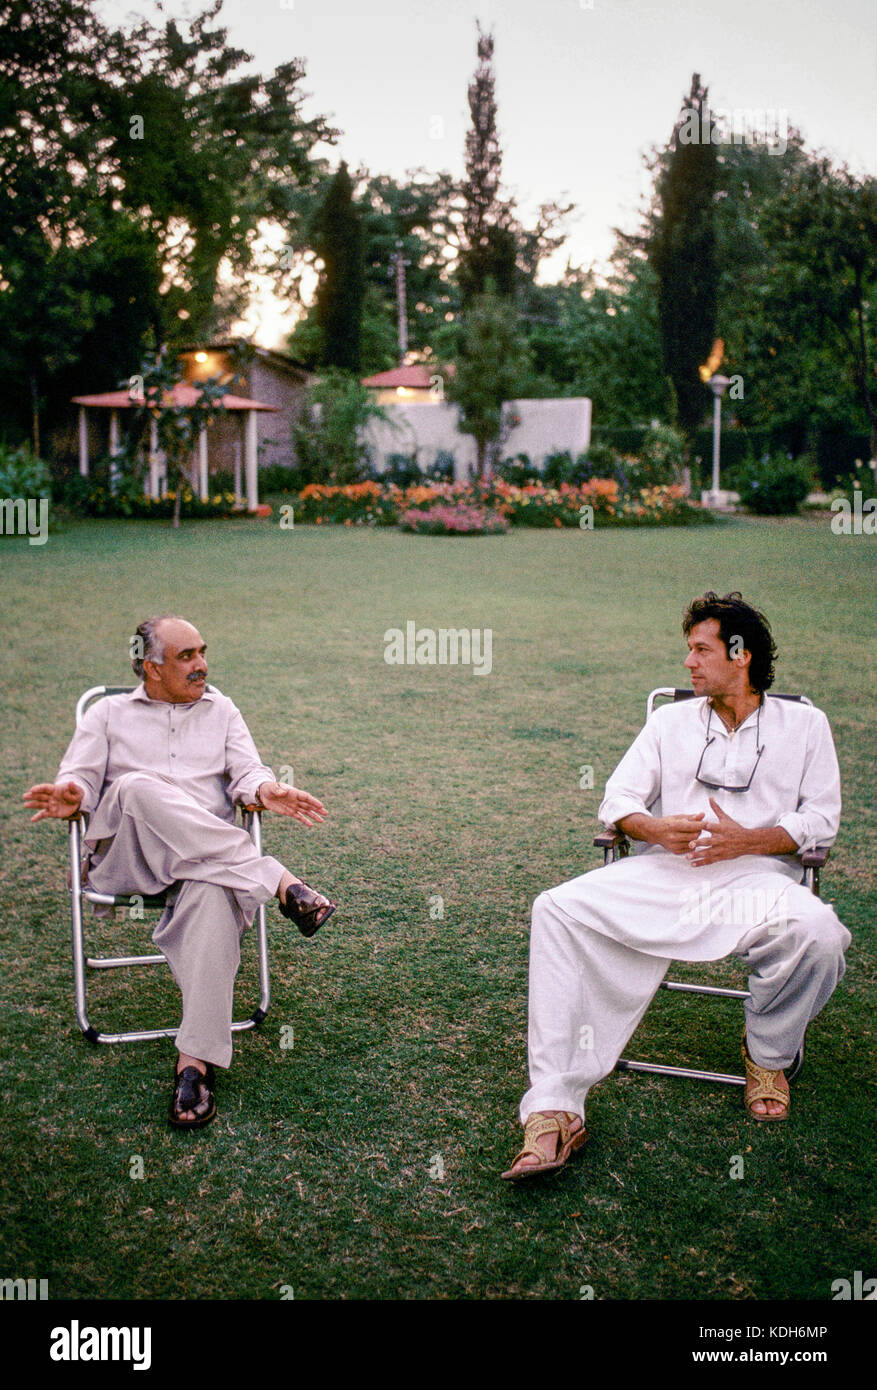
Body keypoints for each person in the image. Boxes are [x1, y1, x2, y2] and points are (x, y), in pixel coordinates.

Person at [502, 591, 850, 1181]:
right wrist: (653, 828)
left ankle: (767, 1057)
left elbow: (821, 818)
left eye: (700, 649)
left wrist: (752, 840)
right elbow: (618, 800)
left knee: (820, 934)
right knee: (556, 907)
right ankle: (555, 1105)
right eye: (687, 650)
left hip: (757, 880)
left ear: (740, 655)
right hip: (665, 875)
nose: (688, 663)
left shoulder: (806, 725)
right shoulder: (669, 721)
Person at [24, 615, 336, 1130]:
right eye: (186, 656)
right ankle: (276, 879)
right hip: (130, 856)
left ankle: (193, 1062)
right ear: (151, 667)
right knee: (137, 788)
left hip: (205, 864)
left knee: (214, 895)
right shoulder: (107, 715)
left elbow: (247, 771)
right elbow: (78, 775)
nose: (202, 665)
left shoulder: (223, 710)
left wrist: (265, 790)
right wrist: (72, 795)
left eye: (202, 652)